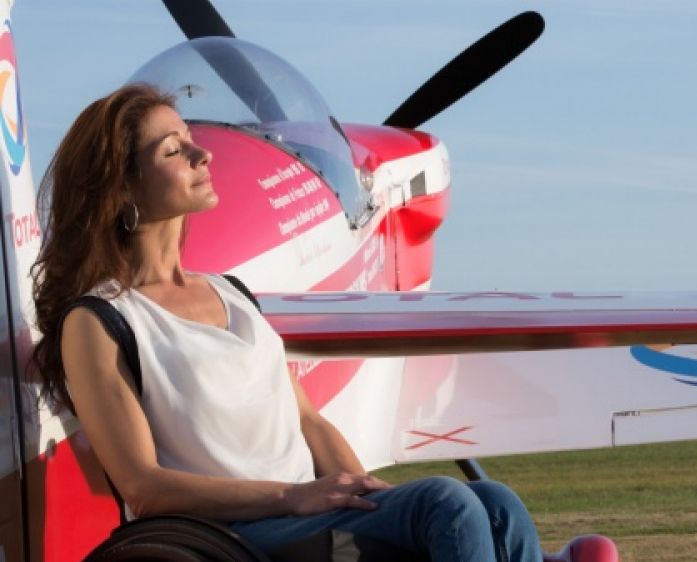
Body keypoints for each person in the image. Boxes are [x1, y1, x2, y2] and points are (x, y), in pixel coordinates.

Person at [30, 83, 543, 561]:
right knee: (446, 503)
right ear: (123, 189)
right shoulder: (100, 321)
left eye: (190, 139)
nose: (201, 153)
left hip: (305, 509)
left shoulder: (231, 292)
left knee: (496, 503)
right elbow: (143, 487)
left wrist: (366, 495)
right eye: (173, 151)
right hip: (231, 529)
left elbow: (308, 421)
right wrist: (294, 497)